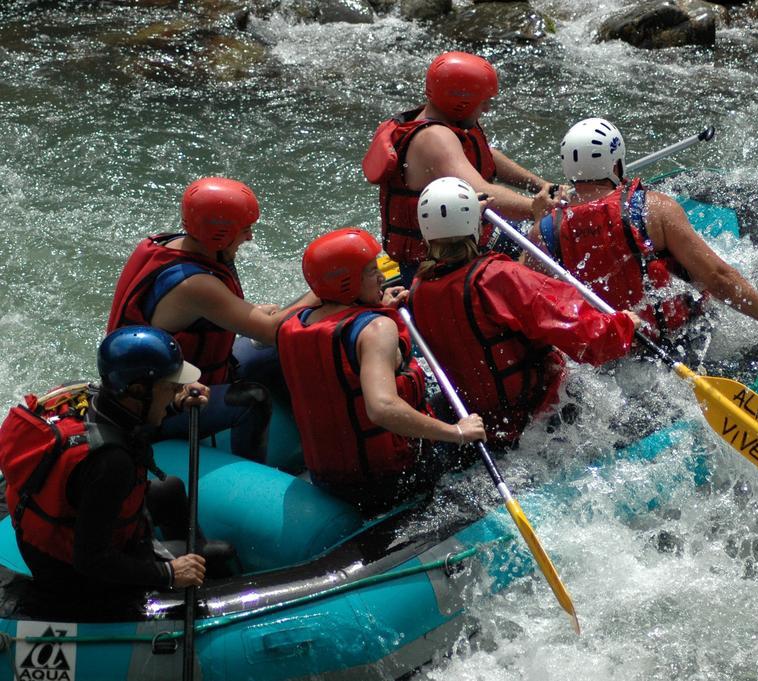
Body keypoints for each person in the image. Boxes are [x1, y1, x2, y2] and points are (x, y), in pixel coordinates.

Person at [527, 118, 758, 354]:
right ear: (617, 164)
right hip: (679, 342)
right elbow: (719, 278)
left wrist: (541, 218)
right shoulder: (653, 210)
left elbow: (535, 307)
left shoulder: (543, 233)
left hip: (609, 355)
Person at [406, 177, 642, 448]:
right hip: (545, 416)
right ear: (473, 222)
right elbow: (576, 327)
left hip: (485, 426)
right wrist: (621, 326)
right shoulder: (497, 278)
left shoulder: (417, 291)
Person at [106, 177, 319, 462]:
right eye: (245, 230)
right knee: (253, 400)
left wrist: (252, 310)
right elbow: (271, 332)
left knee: (272, 352)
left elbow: (209, 314)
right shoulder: (195, 285)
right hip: (160, 402)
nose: (250, 237)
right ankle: (252, 476)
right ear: (220, 235)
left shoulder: (171, 245)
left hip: (191, 375)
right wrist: (322, 288)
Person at [0, 326, 222, 599]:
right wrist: (171, 574)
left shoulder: (88, 395)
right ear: (139, 390)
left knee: (171, 488)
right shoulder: (111, 464)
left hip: (56, 528)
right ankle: (193, 586)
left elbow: (130, 424)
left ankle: (186, 555)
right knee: (219, 554)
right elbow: (91, 560)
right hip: (71, 572)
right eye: (170, 387)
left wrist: (173, 403)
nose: (177, 390)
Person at [277, 228, 487, 513]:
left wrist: (376, 304)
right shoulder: (376, 330)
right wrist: (457, 432)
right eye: (371, 270)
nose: (382, 276)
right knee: (476, 406)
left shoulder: (295, 325)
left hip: (329, 478)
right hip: (389, 481)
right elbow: (382, 408)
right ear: (346, 282)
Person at [362, 51, 561, 285]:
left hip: (475, 239)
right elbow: (481, 193)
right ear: (460, 104)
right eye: (483, 103)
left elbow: (488, 156)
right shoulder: (434, 139)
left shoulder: (442, 118)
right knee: (553, 235)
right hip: (439, 262)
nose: (486, 110)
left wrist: (541, 185)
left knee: (555, 233)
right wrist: (536, 209)